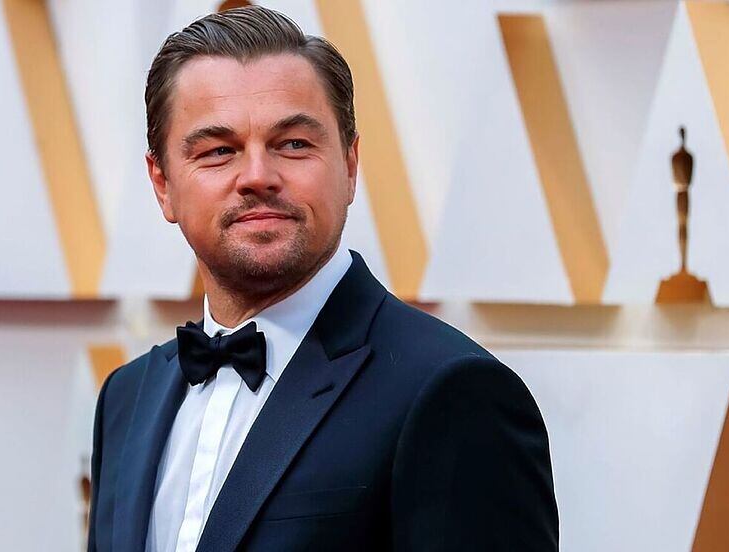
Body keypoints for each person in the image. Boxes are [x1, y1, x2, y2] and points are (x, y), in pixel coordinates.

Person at [87, 6, 558, 551]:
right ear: (162, 183)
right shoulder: (126, 398)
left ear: (350, 165)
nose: (258, 177)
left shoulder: (452, 392)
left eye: (293, 144)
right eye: (219, 151)